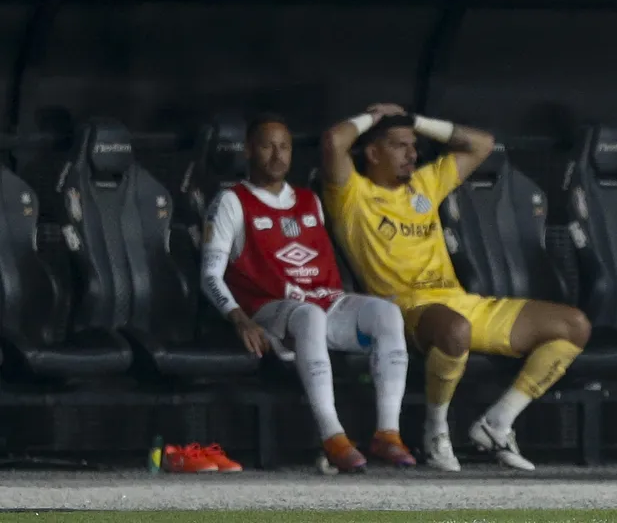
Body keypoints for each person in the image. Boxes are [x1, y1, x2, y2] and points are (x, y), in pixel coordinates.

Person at [320, 103, 591, 472]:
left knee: (573, 325)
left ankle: (497, 423)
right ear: (372, 152)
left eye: (413, 145)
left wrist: (414, 121)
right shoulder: (353, 195)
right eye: (400, 145)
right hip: (404, 311)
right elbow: (334, 141)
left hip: (459, 302)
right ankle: (436, 430)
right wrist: (375, 117)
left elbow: (482, 144)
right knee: (454, 330)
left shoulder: (425, 184)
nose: (412, 153)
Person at [200, 112, 417, 472]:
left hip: (323, 302)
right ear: (249, 151)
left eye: (284, 147)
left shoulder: (307, 200)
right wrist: (239, 319)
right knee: (309, 315)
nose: (277, 155)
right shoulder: (232, 201)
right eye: (268, 146)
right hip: (268, 309)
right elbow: (210, 276)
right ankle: (332, 436)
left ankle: (387, 433)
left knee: (387, 314)